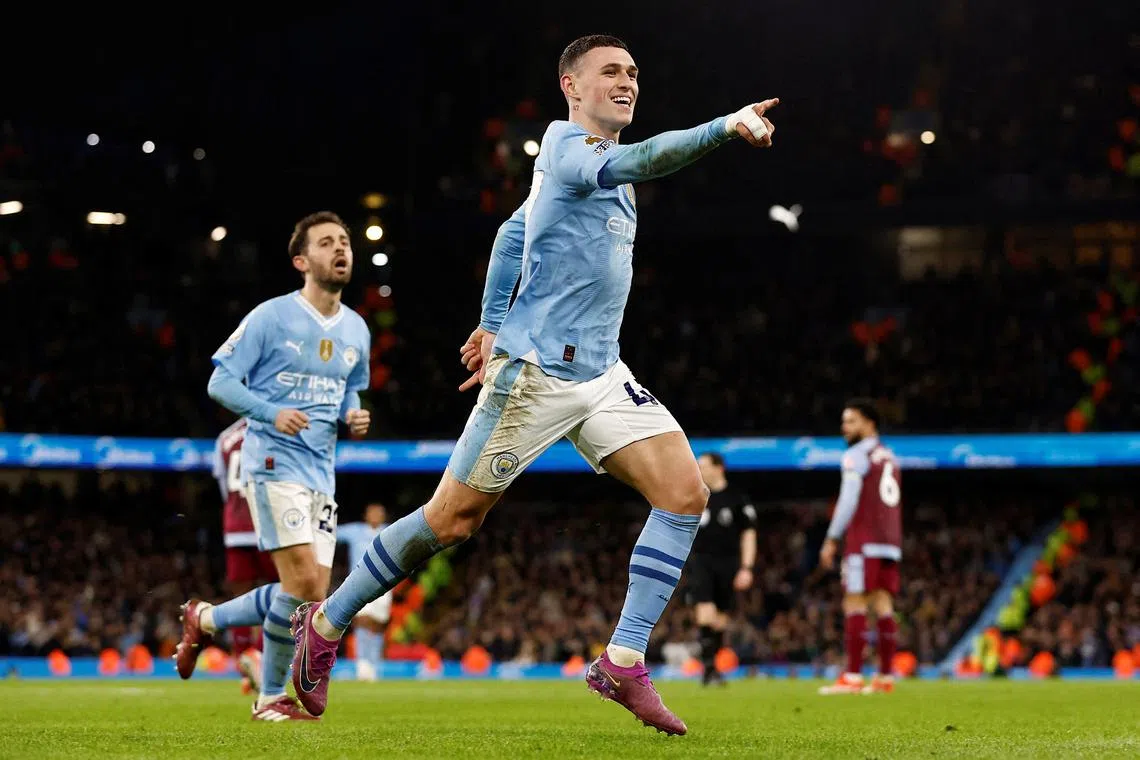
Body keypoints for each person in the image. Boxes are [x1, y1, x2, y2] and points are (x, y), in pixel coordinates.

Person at [290, 35, 778, 737]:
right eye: (611, 71)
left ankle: (623, 660)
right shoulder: (568, 148)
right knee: (452, 520)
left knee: (684, 493)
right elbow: (643, 157)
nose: (627, 81)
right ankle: (328, 622)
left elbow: (512, 236)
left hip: (603, 373)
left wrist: (488, 321)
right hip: (537, 374)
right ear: (570, 87)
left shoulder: (572, 173)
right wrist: (726, 125)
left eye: (634, 73)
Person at [175, 211, 372, 721]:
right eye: (327, 243)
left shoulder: (357, 329)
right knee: (304, 585)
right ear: (302, 261)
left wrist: (353, 411)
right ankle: (267, 698)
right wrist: (270, 412)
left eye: (345, 241)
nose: (340, 249)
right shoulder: (271, 317)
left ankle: (208, 619)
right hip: (271, 461)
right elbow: (220, 383)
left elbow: (353, 383)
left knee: (306, 595)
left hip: (320, 472)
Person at [818, 399, 902, 695]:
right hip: (890, 542)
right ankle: (885, 677)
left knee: (854, 601)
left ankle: (853, 677)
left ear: (870, 423)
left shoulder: (855, 455)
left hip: (863, 541)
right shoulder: (889, 456)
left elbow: (849, 499)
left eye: (851, 421)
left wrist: (831, 537)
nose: (845, 428)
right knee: (882, 603)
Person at [213, 417, 279, 694]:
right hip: (267, 521)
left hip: (235, 526)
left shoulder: (224, 438)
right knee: (279, 593)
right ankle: (263, 658)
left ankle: (244, 660)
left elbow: (222, 487)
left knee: (240, 596)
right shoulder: (275, 428)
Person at [690, 452, 757, 686]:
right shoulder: (696, 496)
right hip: (701, 561)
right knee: (705, 612)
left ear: (719, 468)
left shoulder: (737, 498)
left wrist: (746, 568)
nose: (700, 471)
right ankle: (708, 670)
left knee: (720, 620)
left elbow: (748, 534)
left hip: (729, 563)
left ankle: (712, 668)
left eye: (704, 466)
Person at [336, 503, 392, 681]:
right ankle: (363, 664)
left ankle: (374, 664)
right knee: (361, 621)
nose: (375, 516)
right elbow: (332, 532)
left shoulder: (390, 531)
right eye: (372, 513)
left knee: (377, 625)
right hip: (359, 584)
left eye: (379, 513)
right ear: (366, 516)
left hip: (385, 584)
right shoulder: (355, 531)